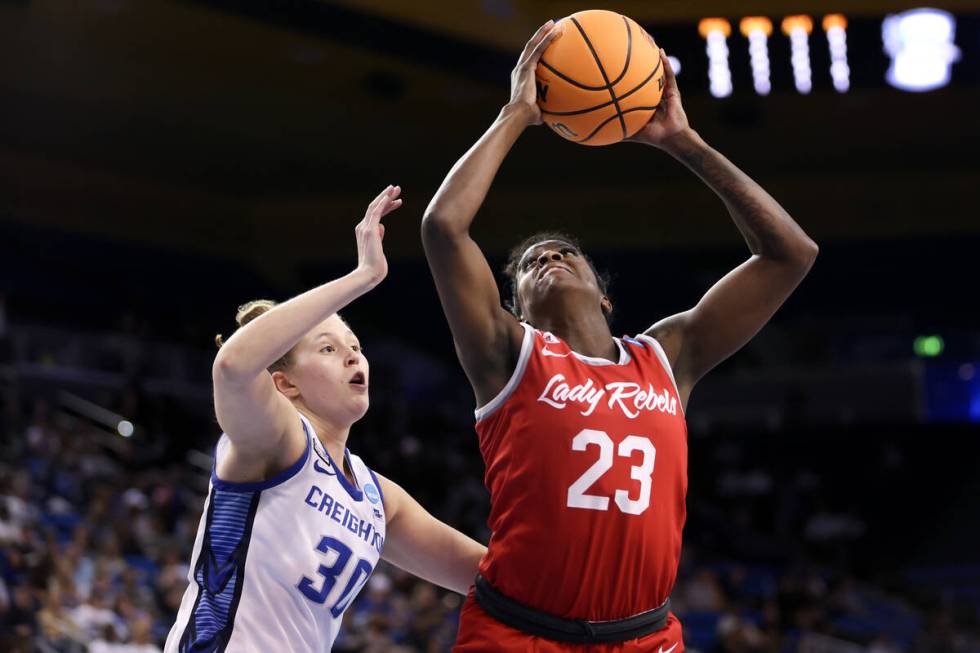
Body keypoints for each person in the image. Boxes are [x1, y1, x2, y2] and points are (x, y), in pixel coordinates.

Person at [421, 20, 818, 652]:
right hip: (518, 634)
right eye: (529, 265)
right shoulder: (509, 356)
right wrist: (517, 114)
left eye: (563, 252)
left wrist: (685, 142)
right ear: (516, 308)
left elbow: (789, 254)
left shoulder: (667, 357)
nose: (547, 259)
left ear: (604, 294)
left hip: (645, 639)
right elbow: (444, 227)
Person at [164, 186, 486, 652]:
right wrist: (364, 276)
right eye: (329, 349)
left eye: (355, 347)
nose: (353, 357)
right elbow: (234, 366)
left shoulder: (378, 497)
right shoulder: (278, 438)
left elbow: (484, 575)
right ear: (285, 385)